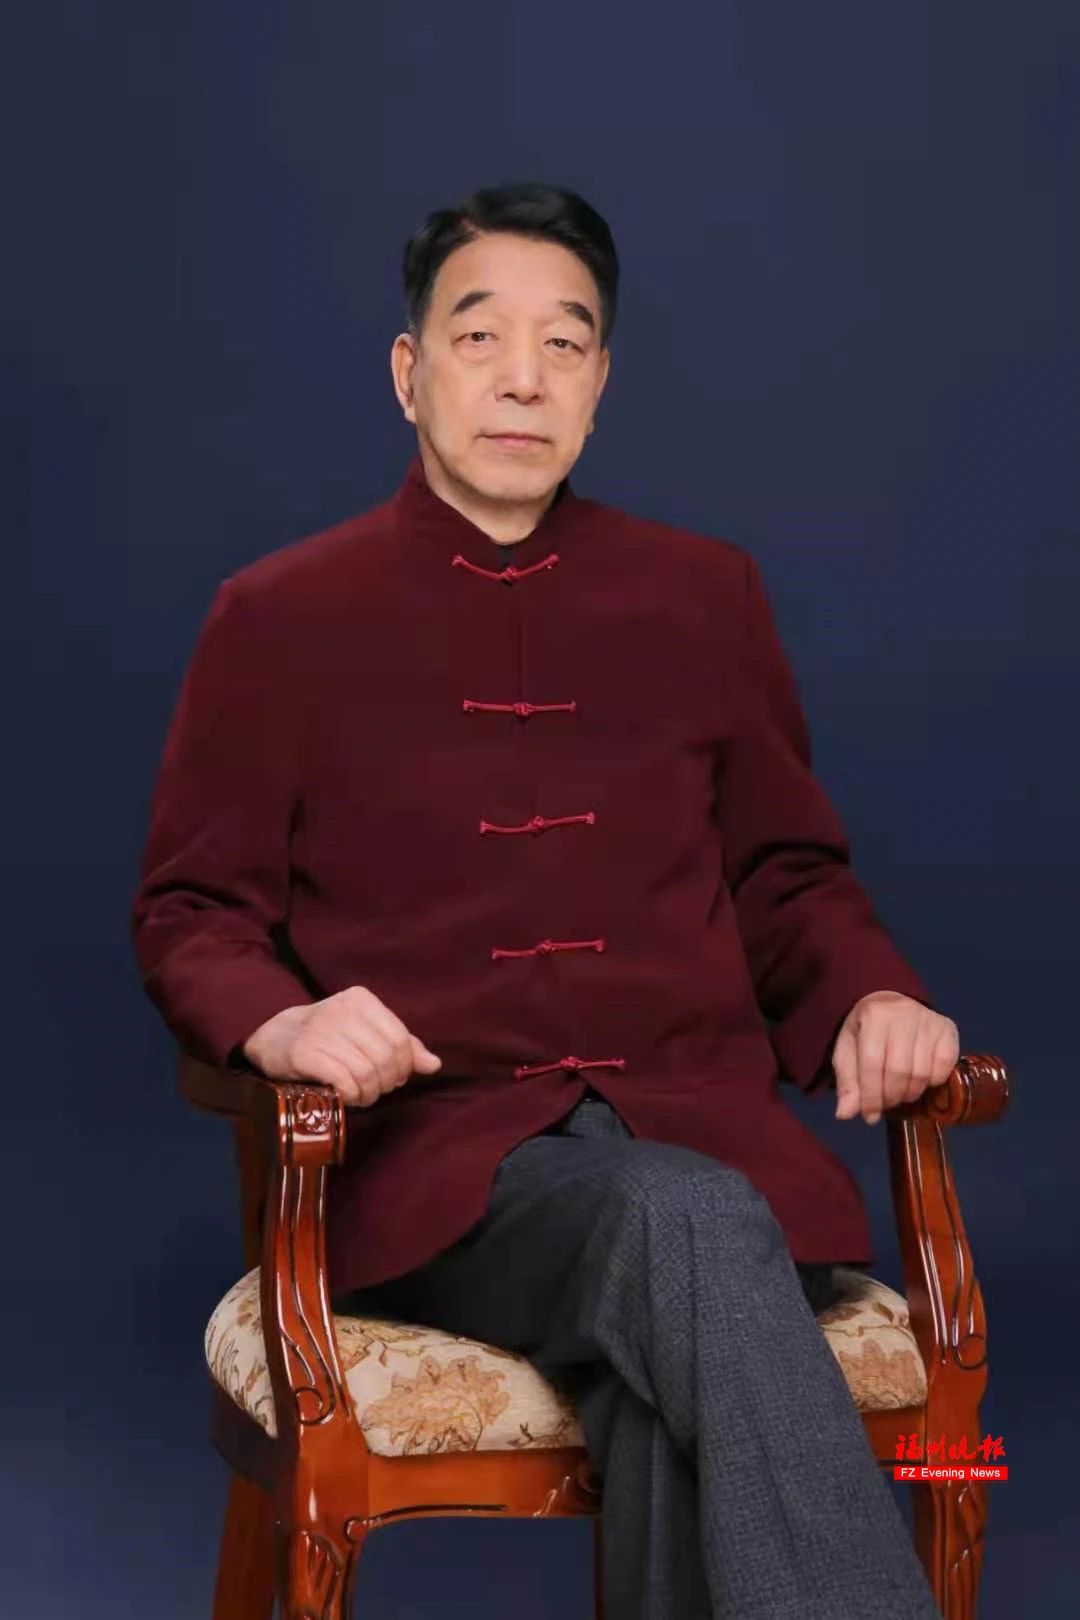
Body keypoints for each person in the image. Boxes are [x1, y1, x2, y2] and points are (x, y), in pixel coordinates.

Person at [131, 181, 953, 1617]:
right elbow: (192, 909)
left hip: (696, 1139)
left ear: (600, 380)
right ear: (410, 372)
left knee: (667, 1341)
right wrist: (282, 1024)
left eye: (564, 343)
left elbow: (786, 878)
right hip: (438, 1174)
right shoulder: (280, 616)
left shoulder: (705, 597)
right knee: (690, 1231)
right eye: (481, 337)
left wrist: (872, 993)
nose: (524, 377)